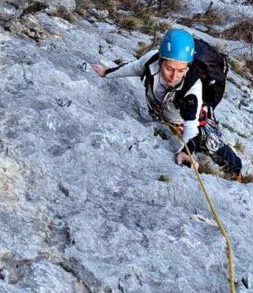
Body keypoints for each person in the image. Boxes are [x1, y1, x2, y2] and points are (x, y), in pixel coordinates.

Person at [93, 27, 242, 179]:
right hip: (162, 113)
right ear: (161, 60)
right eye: (169, 68)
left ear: (187, 67)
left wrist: (186, 151)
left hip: (187, 119)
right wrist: (107, 73)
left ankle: (236, 170)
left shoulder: (192, 87)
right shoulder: (151, 61)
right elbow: (133, 68)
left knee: (211, 144)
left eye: (181, 70)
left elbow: (191, 125)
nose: (174, 76)